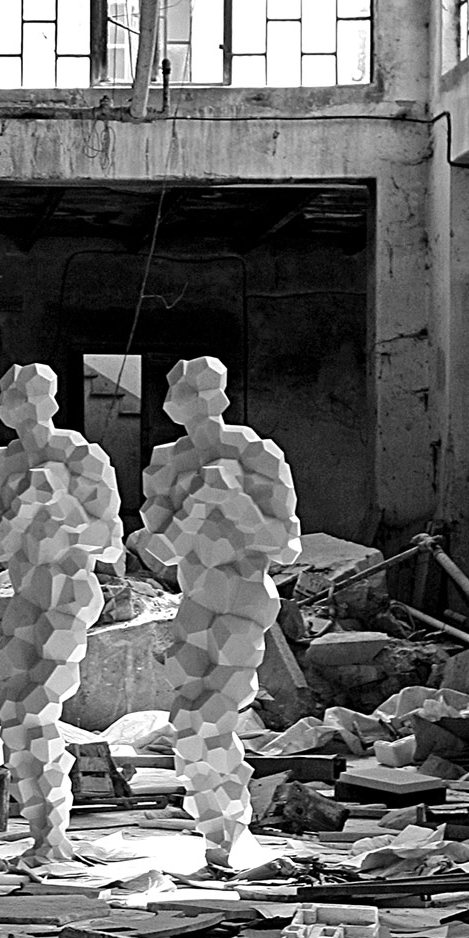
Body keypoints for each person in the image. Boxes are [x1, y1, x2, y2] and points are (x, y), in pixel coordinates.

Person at [129, 356, 301, 867]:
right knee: (188, 722)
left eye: (204, 392)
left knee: (215, 716)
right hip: (195, 600)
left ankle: (233, 830)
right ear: (170, 404)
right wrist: (200, 506)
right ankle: (215, 833)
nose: (195, 404)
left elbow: (286, 545)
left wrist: (237, 503)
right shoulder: (168, 462)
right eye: (183, 394)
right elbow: (158, 550)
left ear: (222, 396)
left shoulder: (255, 452)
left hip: (244, 596)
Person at [0, 364, 122, 863]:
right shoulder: (0, 464)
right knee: (13, 715)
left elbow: (109, 542)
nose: (25, 406)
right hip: (25, 597)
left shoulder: (81, 456)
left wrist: (59, 503)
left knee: (38, 709)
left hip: (70, 592)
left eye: (34, 395)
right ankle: (43, 837)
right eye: (14, 396)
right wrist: (25, 504)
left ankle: (54, 837)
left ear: (52, 400)